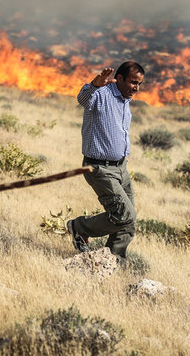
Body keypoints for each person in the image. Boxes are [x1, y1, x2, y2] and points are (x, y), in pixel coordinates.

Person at [66, 61, 145, 260]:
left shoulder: (126, 100)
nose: (136, 88)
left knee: (129, 221)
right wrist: (94, 84)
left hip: (121, 168)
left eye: (139, 84)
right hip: (99, 168)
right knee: (123, 215)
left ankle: (113, 262)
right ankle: (79, 227)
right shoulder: (102, 94)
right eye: (133, 82)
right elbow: (83, 99)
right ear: (119, 78)